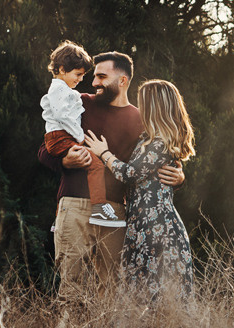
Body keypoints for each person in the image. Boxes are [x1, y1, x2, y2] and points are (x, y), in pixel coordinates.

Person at [38, 52, 184, 297]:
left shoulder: (142, 120)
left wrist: (178, 178)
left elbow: (160, 159)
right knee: (71, 289)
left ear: (123, 80)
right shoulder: (78, 103)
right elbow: (44, 149)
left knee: (114, 291)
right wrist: (65, 160)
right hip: (74, 205)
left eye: (101, 77)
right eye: (94, 76)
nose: (94, 82)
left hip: (115, 212)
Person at [85, 79, 195, 298]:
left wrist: (103, 153)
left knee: (158, 296)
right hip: (142, 226)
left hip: (157, 229)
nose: (139, 109)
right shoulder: (148, 140)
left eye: (143, 103)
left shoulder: (160, 143)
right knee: (142, 296)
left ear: (154, 107)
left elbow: (130, 174)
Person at [40, 40, 125, 227]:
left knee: (94, 164)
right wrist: (77, 141)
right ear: (62, 69)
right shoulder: (63, 93)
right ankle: (99, 208)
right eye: (78, 74)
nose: (83, 80)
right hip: (62, 140)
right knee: (95, 165)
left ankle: (63, 218)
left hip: (62, 138)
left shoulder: (67, 92)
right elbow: (47, 144)